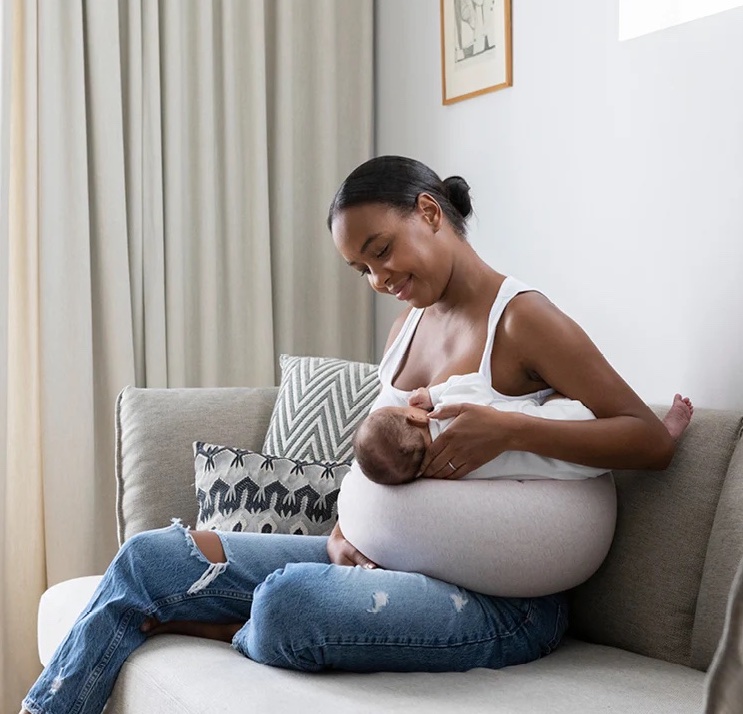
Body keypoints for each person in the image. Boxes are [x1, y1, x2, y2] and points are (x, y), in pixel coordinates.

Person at [20, 156, 694, 714]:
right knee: (148, 559)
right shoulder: (406, 331)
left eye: (381, 253)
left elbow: (647, 440)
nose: (379, 280)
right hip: (381, 566)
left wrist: (508, 428)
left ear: (429, 213)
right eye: (362, 270)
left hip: (502, 604)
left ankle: (221, 624)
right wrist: (348, 533)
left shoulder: (522, 320)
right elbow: (379, 466)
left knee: (290, 603)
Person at [353, 372, 693, 485]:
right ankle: (663, 432)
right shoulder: (453, 405)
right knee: (559, 390)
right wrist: (432, 393)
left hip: (573, 474)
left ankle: (662, 435)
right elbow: (477, 382)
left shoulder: (443, 475)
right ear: (414, 416)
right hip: (580, 433)